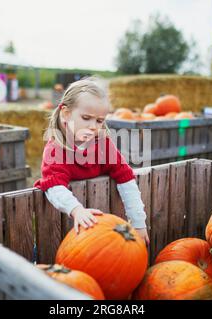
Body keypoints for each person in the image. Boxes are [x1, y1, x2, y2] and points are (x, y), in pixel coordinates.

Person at [34, 77, 149, 245]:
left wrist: (138, 222)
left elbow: (126, 180)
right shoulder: (56, 150)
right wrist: (77, 210)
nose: (94, 126)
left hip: (103, 228)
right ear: (66, 114)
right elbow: (54, 186)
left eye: (99, 121)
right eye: (86, 118)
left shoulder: (103, 146)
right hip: (59, 227)